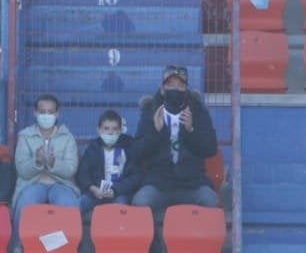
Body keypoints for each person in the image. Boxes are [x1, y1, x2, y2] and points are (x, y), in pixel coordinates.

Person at [129, 65, 220, 214]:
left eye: (180, 85)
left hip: (192, 183)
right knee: (141, 201)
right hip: (159, 183)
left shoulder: (198, 111)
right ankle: (155, 238)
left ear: (186, 89)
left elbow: (210, 149)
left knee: (210, 200)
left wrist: (191, 130)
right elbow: (137, 153)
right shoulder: (151, 111)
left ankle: (196, 237)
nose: (175, 89)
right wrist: (155, 132)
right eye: (170, 85)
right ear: (162, 88)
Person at [10, 94, 81, 239]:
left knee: (69, 204)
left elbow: (70, 169)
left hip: (61, 184)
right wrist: (37, 162)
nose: (46, 116)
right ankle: (19, 249)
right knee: (25, 204)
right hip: (33, 183)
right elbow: (22, 170)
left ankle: (73, 249)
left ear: (57, 113)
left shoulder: (67, 137)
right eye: (42, 112)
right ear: (35, 113)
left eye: (50, 112)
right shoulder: (25, 136)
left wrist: (54, 164)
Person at [76, 108, 139, 217]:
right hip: (96, 194)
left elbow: (135, 176)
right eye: (106, 128)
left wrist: (115, 191)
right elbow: (83, 174)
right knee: (77, 206)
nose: (110, 132)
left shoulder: (129, 147)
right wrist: (92, 188)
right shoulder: (93, 148)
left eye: (115, 129)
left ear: (120, 130)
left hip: (119, 194)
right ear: (99, 130)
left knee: (121, 210)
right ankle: (69, 233)